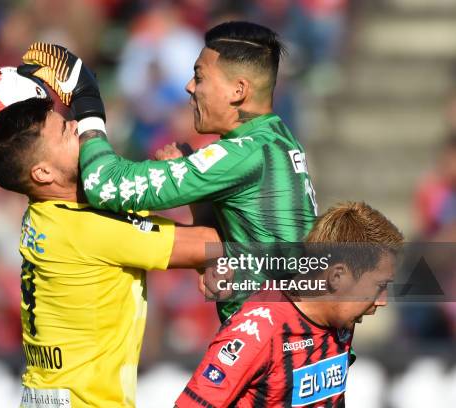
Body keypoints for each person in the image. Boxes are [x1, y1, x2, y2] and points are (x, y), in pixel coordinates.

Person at [19, 21, 318, 324]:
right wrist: (199, 194)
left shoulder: (242, 153)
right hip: (288, 335)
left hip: (272, 341)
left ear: (238, 90)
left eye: (199, 77)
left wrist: (87, 100)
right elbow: (236, 244)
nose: (189, 86)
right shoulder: (277, 136)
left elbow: (104, 184)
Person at [0, 86, 221, 406]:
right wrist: (191, 186)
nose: (76, 125)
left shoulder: (44, 214)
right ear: (42, 172)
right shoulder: (87, 229)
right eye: (63, 130)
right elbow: (214, 246)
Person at [174, 202, 403, 407]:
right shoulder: (258, 332)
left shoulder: (340, 322)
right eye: (379, 286)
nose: (382, 301)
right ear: (337, 278)